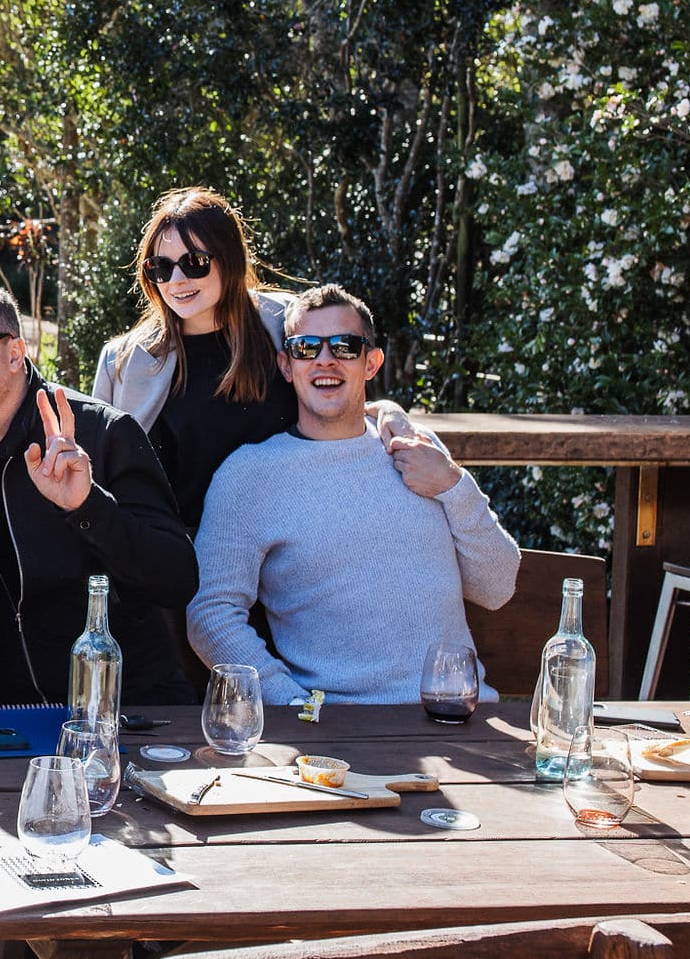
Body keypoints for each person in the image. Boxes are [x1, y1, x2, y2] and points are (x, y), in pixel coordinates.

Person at [187, 285, 521, 703]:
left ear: (371, 362)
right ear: (286, 365)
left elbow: (498, 586)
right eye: (306, 347)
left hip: (457, 714)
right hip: (338, 728)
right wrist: (290, 703)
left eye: (345, 345)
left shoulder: (415, 448)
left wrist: (454, 484)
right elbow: (211, 615)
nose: (325, 359)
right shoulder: (250, 476)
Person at [0, 278, 197, 706]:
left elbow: (177, 580)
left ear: (14, 353)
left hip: (123, 713)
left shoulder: (101, 434)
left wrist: (88, 506)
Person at [93, 187, 414, 528]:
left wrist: (388, 412)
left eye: (195, 263)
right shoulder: (124, 361)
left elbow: (337, 387)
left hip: (297, 542)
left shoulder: (286, 323)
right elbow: (101, 470)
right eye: (161, 267)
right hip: (182, 561)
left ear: (228, 259)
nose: (177, 280)